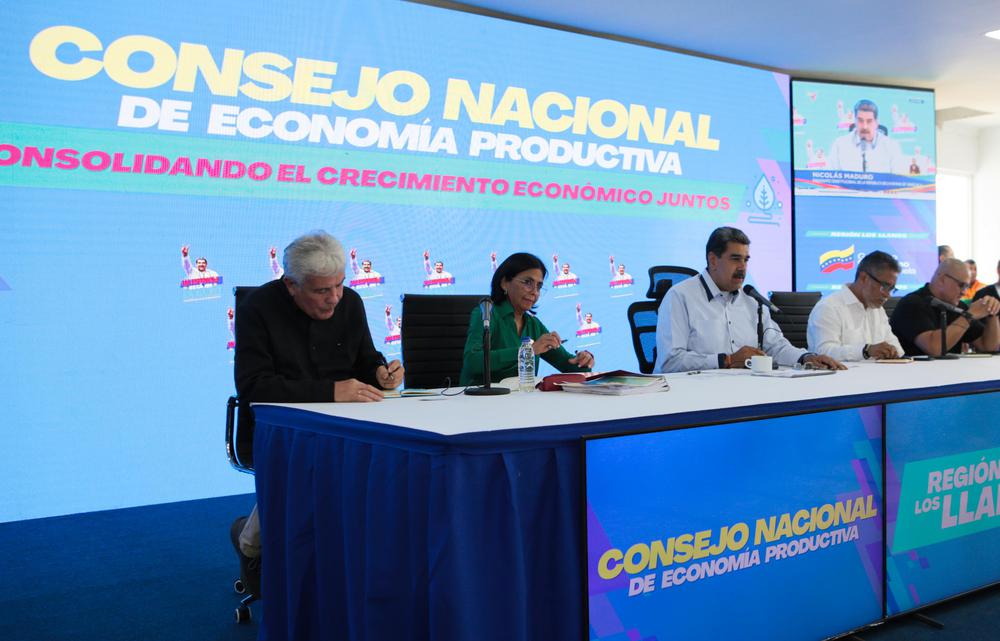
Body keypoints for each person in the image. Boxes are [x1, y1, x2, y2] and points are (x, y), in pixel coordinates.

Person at [232, 231, 404, 593]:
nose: (335, 298)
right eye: (322, 291)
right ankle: (255, 546)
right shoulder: (257, 309)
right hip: (279, 430)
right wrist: (330, 391)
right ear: (292, 285)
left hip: (348, 425)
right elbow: (254, 386)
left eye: (339, 286)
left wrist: (380, 372)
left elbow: (365, 358)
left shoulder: (351, 303)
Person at [655, 226, 844, 373]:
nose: (743, 267)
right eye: (735, 259)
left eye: (746, 260)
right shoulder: (680, 297)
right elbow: (670, 362)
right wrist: (726, 360)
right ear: (713, 260)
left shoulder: (752, 302)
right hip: (693, 399)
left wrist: (806, 358)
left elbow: (776, 347)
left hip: (745, 394)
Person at [460, 252, 594, 385]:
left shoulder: (533, 324)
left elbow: (568, 366)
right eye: (528, 282)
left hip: (521, 401)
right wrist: (528, 351)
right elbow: (473, 362)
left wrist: (583, 360)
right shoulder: (486, 314)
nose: (534, 292)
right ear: (505, 283)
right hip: (479, 400)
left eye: (539, 286)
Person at [889, 258, 1000, 356]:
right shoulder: (912, 303)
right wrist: (968, 316)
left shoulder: (959, 307)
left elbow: (988, 347)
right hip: (912, 375)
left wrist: (992, 313)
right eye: (962, 285)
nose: (964, 292)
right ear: (942, 279)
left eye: (967, 286)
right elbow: (935, 349)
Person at [806, 251, 904, 361]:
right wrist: (865, 351)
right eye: (884, 287)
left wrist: (892, 351)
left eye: (891, 289)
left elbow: (897, 349)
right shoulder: (829, 307)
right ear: (864, 278)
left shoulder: (878, 310)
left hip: (874, 375)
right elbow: (823, 352)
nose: (887, 295)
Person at [827, 99, 907, 174]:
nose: (864, 126)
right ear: (855, 121)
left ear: (876, 123)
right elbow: (830, 181)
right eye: (860, 121)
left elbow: (899, 182)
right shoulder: (839, 145)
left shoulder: (892, 146)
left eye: (869, 121)